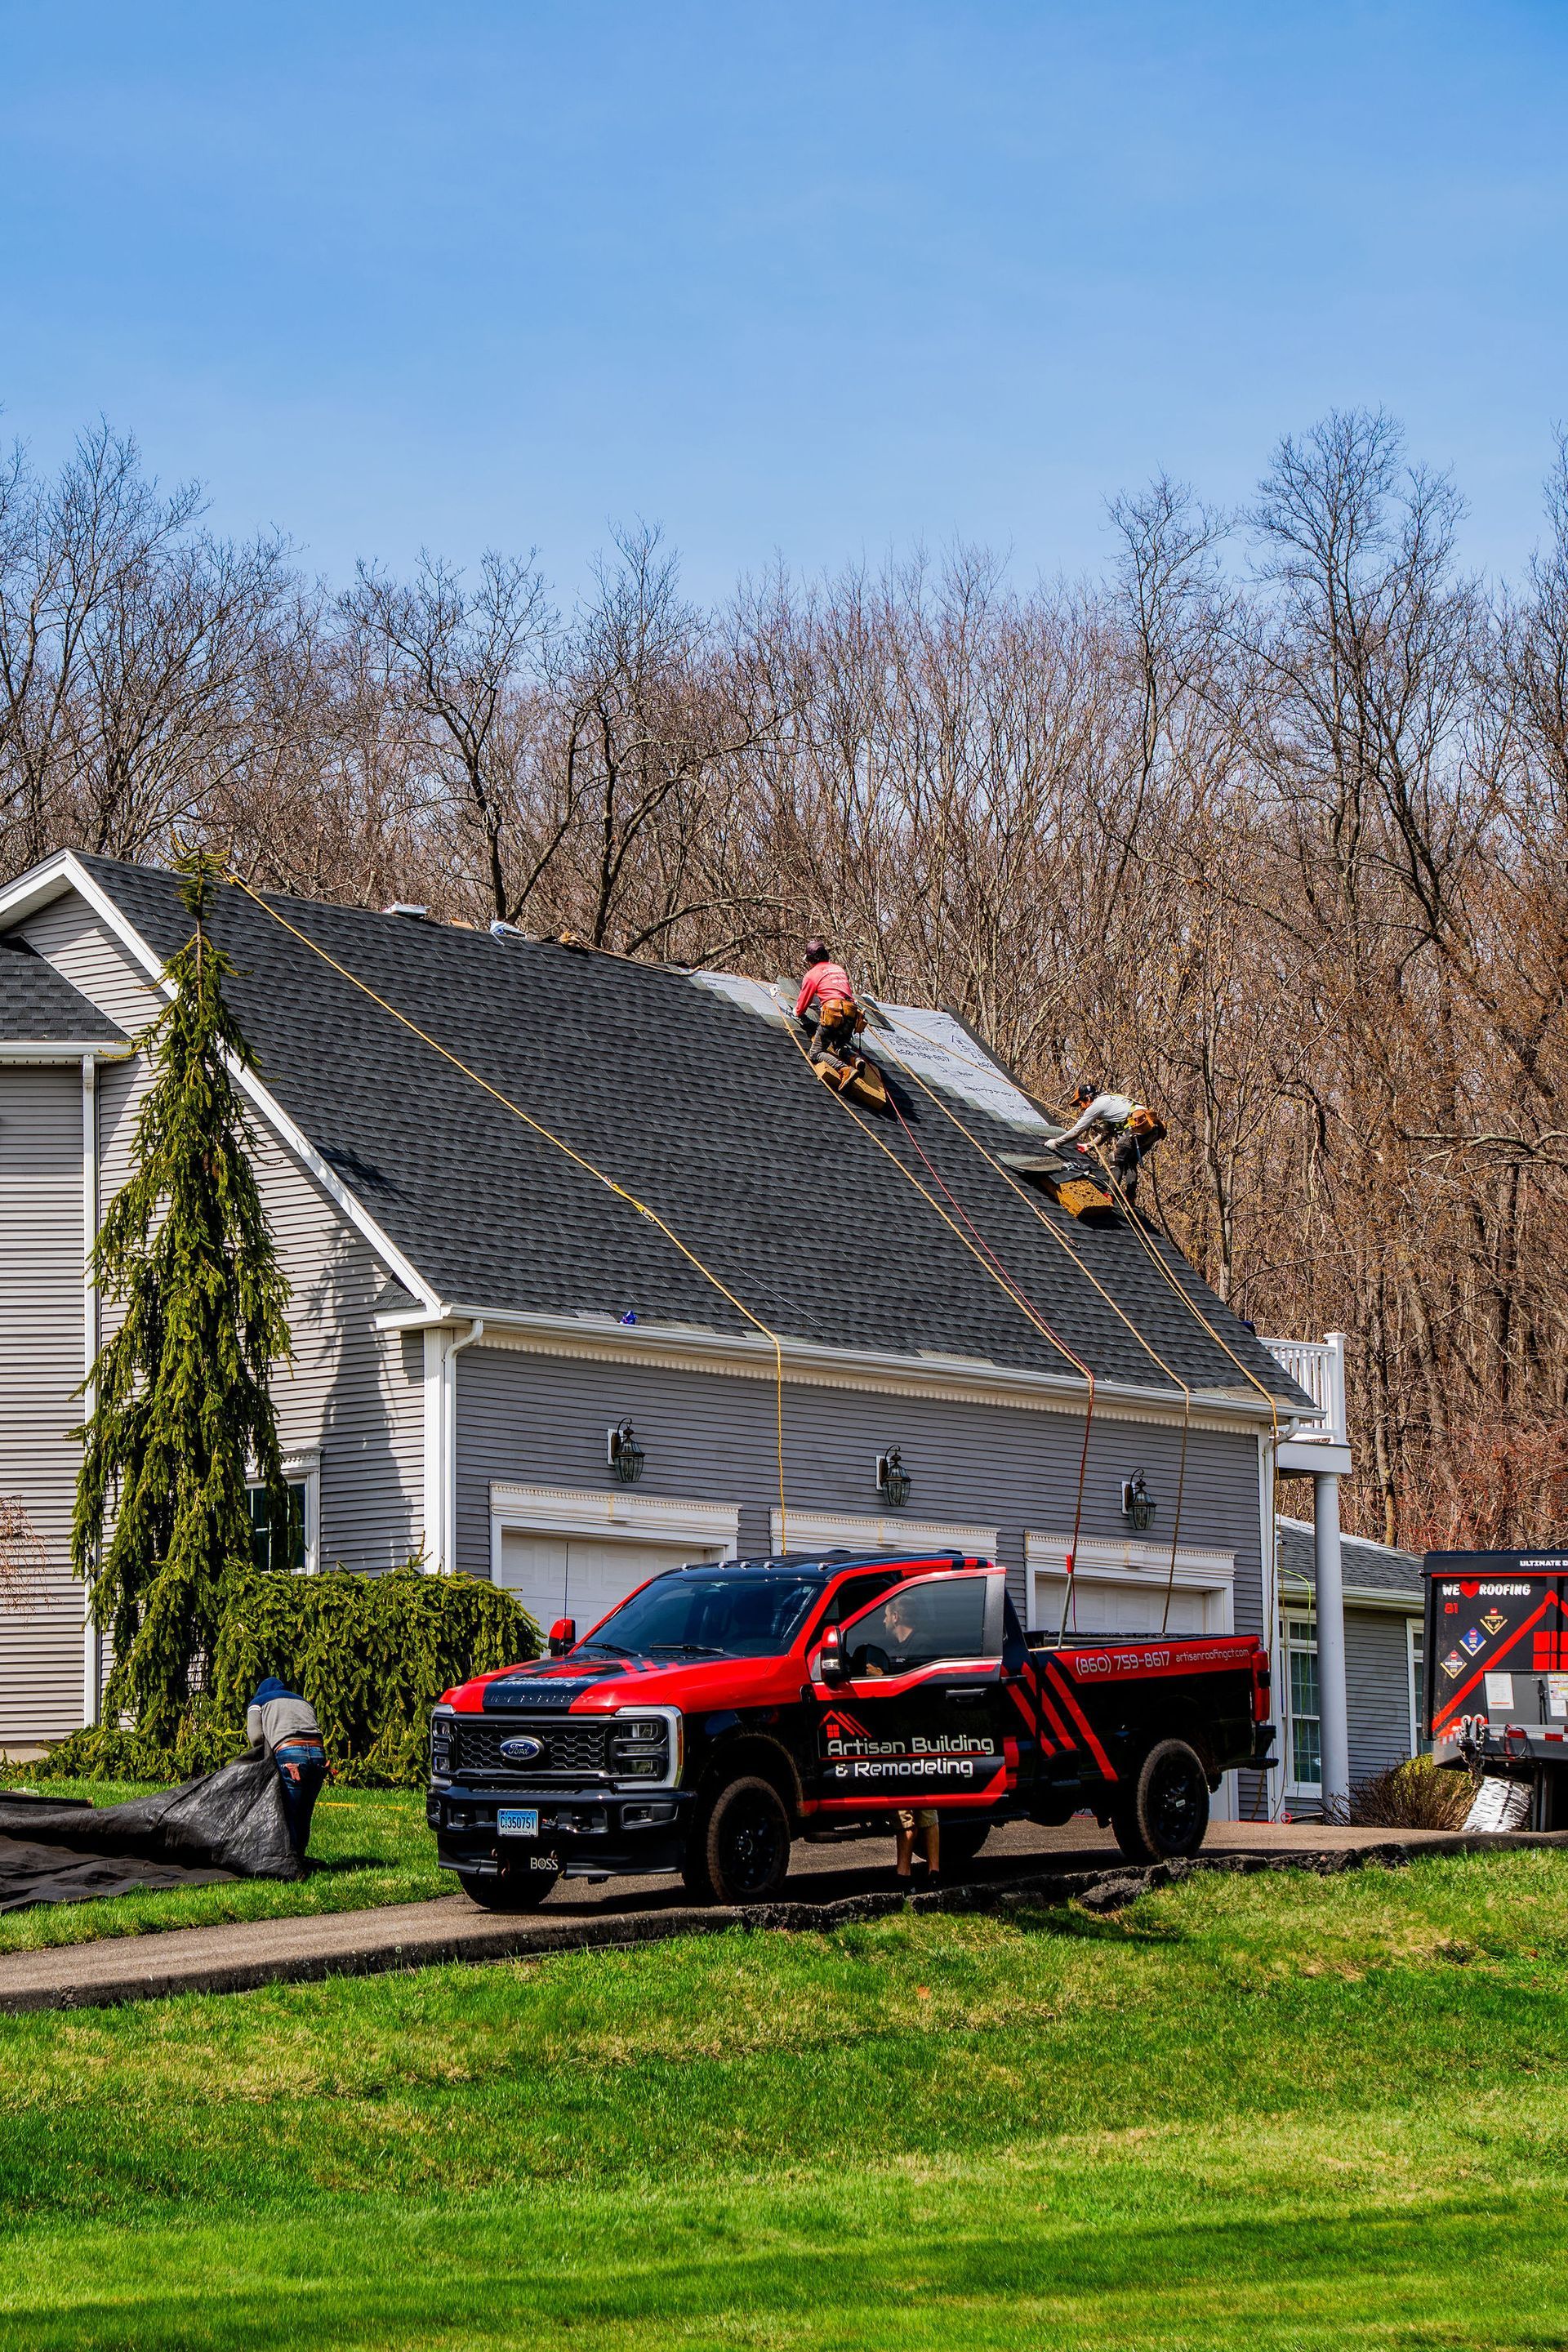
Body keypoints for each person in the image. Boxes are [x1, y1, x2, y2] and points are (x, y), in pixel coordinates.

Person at [853, 1589, 942, 1888]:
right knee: (915, 1807)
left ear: (898, 1616)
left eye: (886, 1614)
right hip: (898, 1737)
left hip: (918, 1738)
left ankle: (910, 1875)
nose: (883, 1620)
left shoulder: (925, 1646)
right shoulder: (891, 1650)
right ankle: (928, 1871)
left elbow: (918, 1689)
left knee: (916, 1807)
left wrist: (885, 1678)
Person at [246, 1676, 326, 1859]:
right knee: (305, 1810)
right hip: (318, 1754)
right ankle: (300, 1856)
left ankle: (287, 1862)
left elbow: (256, 1738)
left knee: (288, 1809)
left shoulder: (258, 1702)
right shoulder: (303, 1701)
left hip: (290, 1753)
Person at [1058, 1080, 1166, 1207]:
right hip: (1153, 1129)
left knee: (1115, 1159)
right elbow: (1106, 1132)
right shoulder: (1111, 1101)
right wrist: (1089, 1146)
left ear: (1087, 1098)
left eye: (1080, 1103)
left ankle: (1110, 1196)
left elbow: (1076, 1131)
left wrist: (1055, 1143)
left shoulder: (1096, 1105)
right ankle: (1130, 1198)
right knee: (1131, 1162)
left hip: (1136, 1128)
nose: (1081, 1108)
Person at [794, 937, 860, 1056]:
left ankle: (846, 1069)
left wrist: (797, 1012)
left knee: (815, 1053)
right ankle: (856, 1060)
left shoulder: (812, 974)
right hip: (851, 1014)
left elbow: (803, 1003)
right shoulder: (838, 969)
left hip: (833, 1013)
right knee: (839, 1046)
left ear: (810, 960)